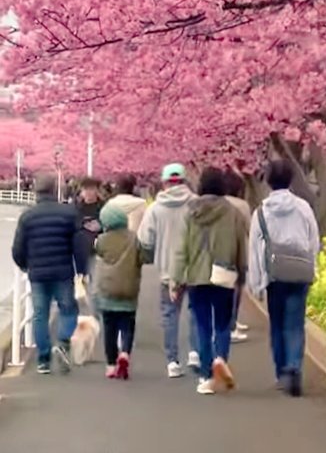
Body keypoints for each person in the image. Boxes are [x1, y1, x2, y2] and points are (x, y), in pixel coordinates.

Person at [171, 166, 248, 396]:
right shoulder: (232, 212)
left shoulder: (190, 212)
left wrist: (176, 280)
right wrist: (241, 273)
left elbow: (180, 250)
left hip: (196, 276)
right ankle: (220, 361)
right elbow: (240, 245)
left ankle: (206, 375)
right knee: (223, 325)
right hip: (224, 275)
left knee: (203, 326)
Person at [248, 159, 320, 397]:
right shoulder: (303, 208)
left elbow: (255, 250)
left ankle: (282, 373)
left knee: (277, 325)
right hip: (299, 273)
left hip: (274, 275)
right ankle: (294, 367)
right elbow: (313, 241)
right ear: (290, 179)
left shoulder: (261, 212)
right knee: (295, 324)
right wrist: (312, 266)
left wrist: (256, 283)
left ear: (268, 182)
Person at [11, 172, 86, 374]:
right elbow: (79, 245)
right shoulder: (69, 213)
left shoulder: (27, 216)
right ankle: (62, 341)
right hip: (62, 271)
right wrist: (81, 270)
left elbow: (17, 248)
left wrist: (25, 265)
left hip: (37, 273)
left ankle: (43, 360)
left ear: (36, 191)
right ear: (55, 190)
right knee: (69, 309)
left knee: (40, 315)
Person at [138, 162, 198, 377]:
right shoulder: (196, 204)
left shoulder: (155, 208)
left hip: (166, 270)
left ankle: (173, 362)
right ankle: (195, 352)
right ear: (184, 181)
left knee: (170, 315)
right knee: (196, 312)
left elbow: (145, 239)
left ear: (164, 183)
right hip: (194, 268)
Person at [94, 203, 147, 379]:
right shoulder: (134, 239)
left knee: (109, 329)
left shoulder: (102, 240)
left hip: (108, 291)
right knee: (127, 325)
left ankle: (110, 365)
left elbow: (98, 253)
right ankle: (125, 352)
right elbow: (144, 257)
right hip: (129, 290)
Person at [223, 169, 251, 343]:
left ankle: (230, 322)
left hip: (220, 251)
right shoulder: (242, 205)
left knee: (223, 288)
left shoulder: (218, 202)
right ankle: (231, 324)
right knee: (237, 287)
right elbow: (249, 228)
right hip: (239, 250)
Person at [74, 177, 105, 315]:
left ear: (97, 190)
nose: (88, 193)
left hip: (97, 251)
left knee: (95, 289)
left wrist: (100, 227)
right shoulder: (76, 207)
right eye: (85, 189)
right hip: (78, 250)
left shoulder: (104, 207)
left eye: (91, 189)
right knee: (81, 285)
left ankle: (94, 317)